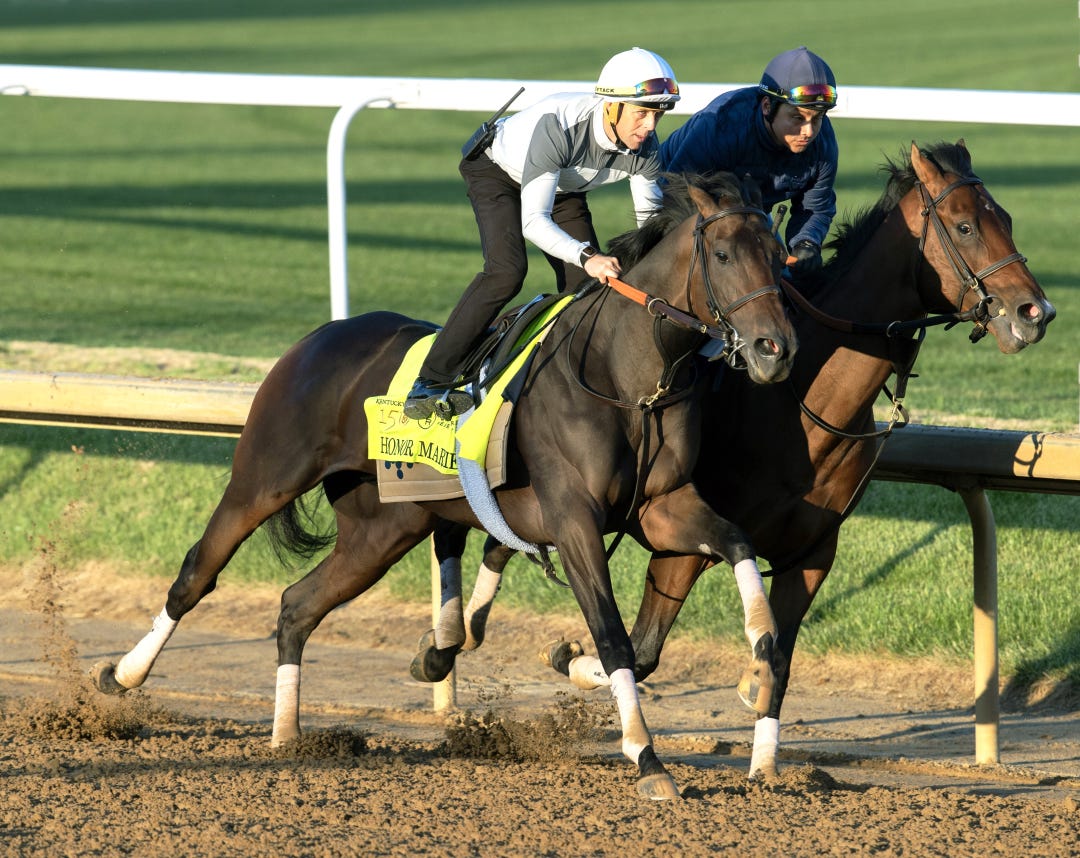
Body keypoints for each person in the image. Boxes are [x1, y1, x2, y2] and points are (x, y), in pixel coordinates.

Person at [403, 47, 681, 421]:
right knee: (506, 271)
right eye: (642, 113)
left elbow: (649, 222)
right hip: (496, 172)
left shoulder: (646, 148)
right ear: (611, 107)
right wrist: (588, 255)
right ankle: (431, 380)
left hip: (562, 186)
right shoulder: (559, 126)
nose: (650, 126)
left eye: (657, 115)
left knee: (589, 289)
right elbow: (534, 220)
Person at [660, 46, 838, 280]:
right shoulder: (720, 126)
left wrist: (807, 242)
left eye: (817, 119)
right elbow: (677, 194)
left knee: (785, 285)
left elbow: (815, 207)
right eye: (797, 118)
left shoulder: (823, 143)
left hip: (751, 210)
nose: (808, 131)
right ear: (767, 107)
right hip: (670, 190)